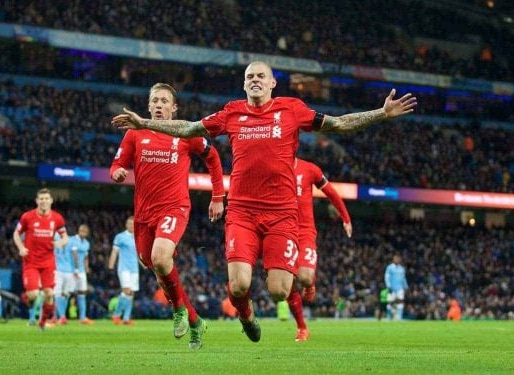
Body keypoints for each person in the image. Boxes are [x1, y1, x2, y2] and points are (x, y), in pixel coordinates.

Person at [112, 61, 417, 342]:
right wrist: (145, 124)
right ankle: (245, 314)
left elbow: (338, 123)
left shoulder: (292, 109)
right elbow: (189, 128)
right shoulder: (231, 112)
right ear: (244, 85)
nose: (254, 80)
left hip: (282, 214)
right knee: (239, 286)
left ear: (272, 83)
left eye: (260, 76)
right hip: (242, 212)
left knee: (279, 290)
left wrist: (381, 113)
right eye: (249, 77)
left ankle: (274, 311)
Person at [110, 83, 225, 349]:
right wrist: (117, 172)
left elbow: (213, 157)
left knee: (160, 259)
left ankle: (178, 312)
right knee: (157, 266)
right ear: (149, 106)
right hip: (143, 216)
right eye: (155, 101)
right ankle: (195, 322)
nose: (159, 105)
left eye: (164, 101)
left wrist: (218, 196)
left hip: (174, 208)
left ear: (174, 108)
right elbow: (118, 163)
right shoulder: (135, 134)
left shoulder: (186, 132)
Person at [286, 157, 352, 341]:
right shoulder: (273, 166)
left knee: (305, 277)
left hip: (305, 232)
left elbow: (330, 192)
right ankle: (302, 327)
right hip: (282, 232)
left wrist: (345, 217)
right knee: (286, 284)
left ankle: (310, 283)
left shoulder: (309, 169)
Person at [13, 188, 68, 330]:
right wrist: (21, 248)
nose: (44, 201)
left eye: (46, 199)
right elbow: (16, 234)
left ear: (51, 200)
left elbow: (65, 237)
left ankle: (42, 323)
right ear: (37, 201)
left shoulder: (57, 218)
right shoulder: (27, 217)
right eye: (41, 199)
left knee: (49, 293)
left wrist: (60, 243)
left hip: (48, 261)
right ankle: (28, 300)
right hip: (31, 261)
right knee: (34, 295)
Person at [108, 216, 139, 326]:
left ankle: (126, 318)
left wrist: (144, 264)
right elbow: (114, 251)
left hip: (134, 269)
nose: (131, 225)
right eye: (129, 223)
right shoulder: (120, 237)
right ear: (126, 225)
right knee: (127, 291)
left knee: (131, 294)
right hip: (124, 268)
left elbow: (139, 254)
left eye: (133, 224)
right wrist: (111, 264)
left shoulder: (138, 237)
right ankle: (116, 314)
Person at [70, 224, 93, 325]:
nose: (82, 232)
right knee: (67, 293)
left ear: (87, 233)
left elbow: (85, 257)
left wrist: (86, 267)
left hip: (82, 271)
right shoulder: (73, 240)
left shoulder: (87, 243)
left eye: (84, 231)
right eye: (81, 230)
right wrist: (75, 269)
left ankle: (82, 317)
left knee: (82, 292)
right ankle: (58, 317)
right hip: (71, 270)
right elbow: (74, 255)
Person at [53, 232, 75, 325]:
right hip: (59, 270)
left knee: (65, 294)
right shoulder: (68, 239)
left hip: (67, 270)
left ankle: (56, 316)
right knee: (58, 294)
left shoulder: (69, 240)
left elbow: (74, 255)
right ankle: (62, 316)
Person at [385, 254, 408, 320]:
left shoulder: (401, 268)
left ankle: (399, 317)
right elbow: (387, 277)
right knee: (390, 302)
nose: (397, 260)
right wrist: (388, 286)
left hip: (400, 288)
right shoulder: (390, 267)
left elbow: (403, 278)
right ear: (393, 259)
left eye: (398, 259)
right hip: (391, 288)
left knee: (400, 302)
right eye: (395, 259)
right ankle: (389, 317)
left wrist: (405, 286)